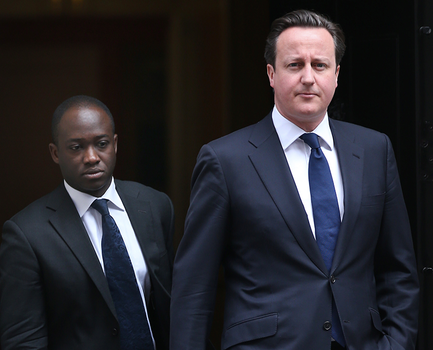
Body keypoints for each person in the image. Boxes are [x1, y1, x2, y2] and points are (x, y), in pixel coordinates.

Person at [170, 9, 419, 350]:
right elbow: (194, 286)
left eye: (319, 65)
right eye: (294, 65)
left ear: (336, 74)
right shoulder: (225, 160)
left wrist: (395, 344)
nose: (308, 77)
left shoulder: (374, 150)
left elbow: (398, 269)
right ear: (271, 73)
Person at [0, 95, 174, 350]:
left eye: (101, 144)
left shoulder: (154, 206)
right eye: (76, 147)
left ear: (115, 144)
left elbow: (173, 305)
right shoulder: (26, 234)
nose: (91, 157)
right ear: (55, 153)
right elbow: (24, 341)